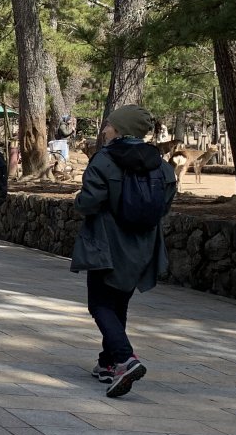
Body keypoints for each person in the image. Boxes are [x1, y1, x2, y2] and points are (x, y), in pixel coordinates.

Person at [71, 104, 176, 398]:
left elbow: (90, 202)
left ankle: (125, 358)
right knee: (119, 304)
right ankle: (108, 364)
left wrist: (78, 201)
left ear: (119, 129)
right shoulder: (162, 165)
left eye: (108, 125)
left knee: (100, 305)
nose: (104, 130)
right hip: (143, 247)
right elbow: (165, 204)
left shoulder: (104, 160)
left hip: (106, 244)